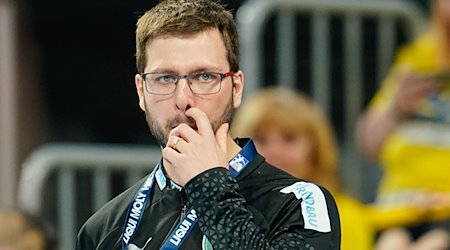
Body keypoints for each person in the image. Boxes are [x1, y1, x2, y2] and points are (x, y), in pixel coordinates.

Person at [76, 0, 341, 249]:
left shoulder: (300, 203)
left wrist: (208, 184)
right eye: (165, 78)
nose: (183, 99)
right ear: (141, 92)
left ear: (236, 88)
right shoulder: (102, 229)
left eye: (204, 76)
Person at [230, 87, 374, 250]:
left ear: (316, 149)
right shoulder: (223, 211)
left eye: (289, 138)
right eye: (261, 139)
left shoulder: (345, 215)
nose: (275, 151)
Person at [357, 0, 450, 249]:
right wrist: (396, 110)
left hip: (445, 213)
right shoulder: (417, 57)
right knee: (392, 242)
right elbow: (369, 143)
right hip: (399, 208)